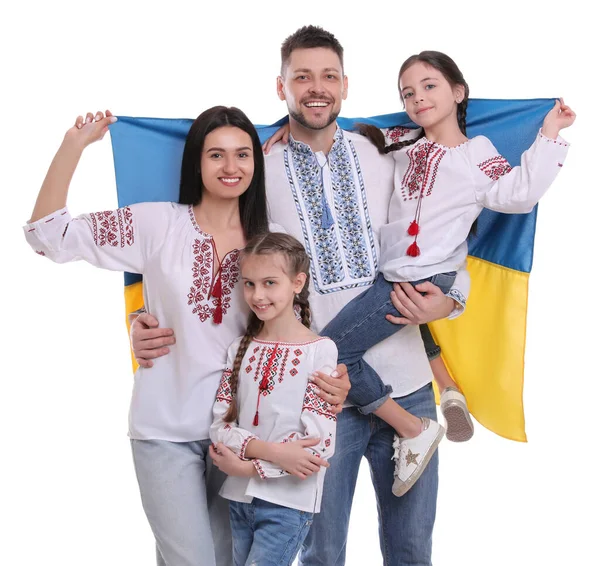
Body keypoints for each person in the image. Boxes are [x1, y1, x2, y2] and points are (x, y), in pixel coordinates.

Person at [132, 26, 473, 566]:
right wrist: (142, 316)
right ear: (281, 86)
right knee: (319, 555)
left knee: (411, 551)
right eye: (302, 77)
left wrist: (453, 301)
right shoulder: (255, 171)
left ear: (345, 85)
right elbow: (204, 248)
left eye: (329, 76)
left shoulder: (387, 156)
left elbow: (443, 233)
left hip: (407, 384)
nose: (317, 88)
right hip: (311, 399)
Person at [23, 105, 349, 566]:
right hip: (164, 427)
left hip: (241, 436)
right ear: (196, 161)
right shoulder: (156, 224)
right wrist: (73, 146)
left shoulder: (272, 240)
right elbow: (47, 237)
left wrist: (335, 380)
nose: (231, 167)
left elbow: (302, 335)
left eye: (242, 155)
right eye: (216, 155)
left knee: (222, 559)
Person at [313, 50, 575, 497]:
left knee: (328, 353)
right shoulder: (402, 146)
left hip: (422, 279)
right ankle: (447, 389)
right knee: (394, 339)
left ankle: (414, 428)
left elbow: (518, 194)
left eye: (429, 86)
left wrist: (550, 132)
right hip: (393, 276)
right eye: (407, 93)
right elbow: (347, 133)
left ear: (458, 92)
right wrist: (280, 132)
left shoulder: (476, 153)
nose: (417, 98)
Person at [210, 232, 338, 566]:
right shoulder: (238, 348)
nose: (257, 294)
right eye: (249, 283)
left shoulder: (320, 350)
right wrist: (269, 455)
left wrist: (248, 465)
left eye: (269, 282)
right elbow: (220, 427)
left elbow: (318, 446)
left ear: (297, 282)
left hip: (288, 503)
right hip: (238, 497)